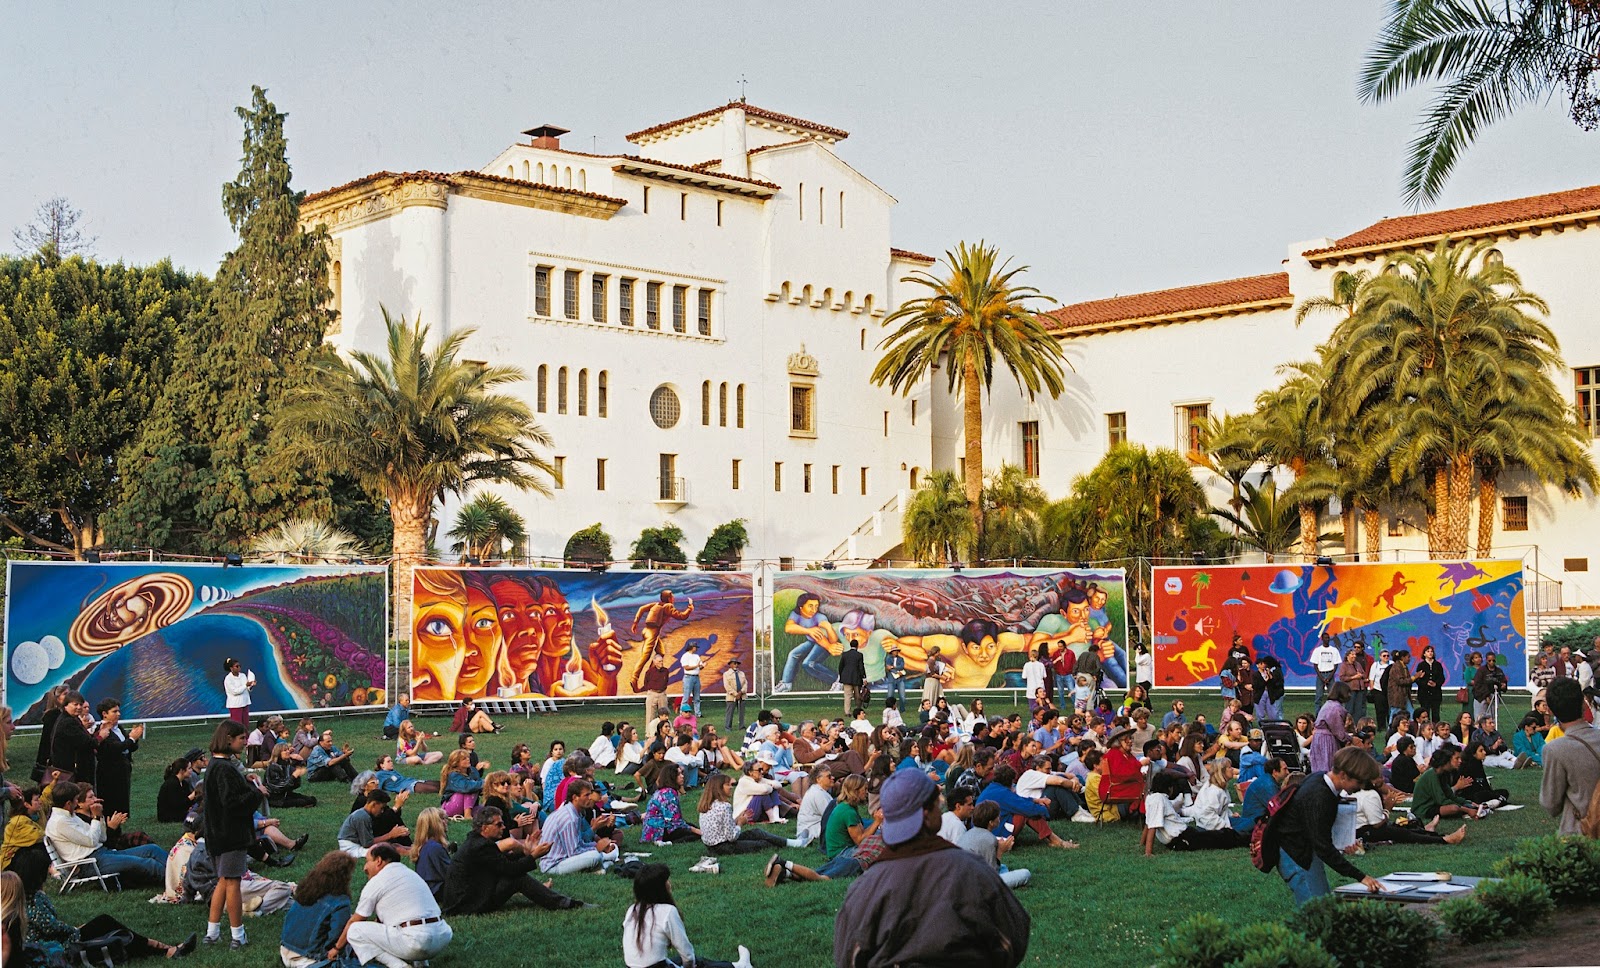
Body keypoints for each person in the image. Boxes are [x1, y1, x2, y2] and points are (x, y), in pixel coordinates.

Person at [833, 769, 1030, 967]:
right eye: (937, 803)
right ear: (927, 814)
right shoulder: (972, 870)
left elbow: (848, 958)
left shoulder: (864, 887)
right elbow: (1013, 937)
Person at [1264, 746, 1386, 906]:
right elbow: (1323, 846)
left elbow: (1318, 830)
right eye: (1359, 781)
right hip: (1296, 854)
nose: (1362, 786)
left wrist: (1343, 844)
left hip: (1304, 850)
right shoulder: (1320, 797)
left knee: (1325, 907)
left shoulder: (1319, 779)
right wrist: (1361, 876)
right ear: (1343, 775)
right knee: (1317, 911)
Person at [9, 862, 196, 962]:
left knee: (110, 932)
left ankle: (164, 949)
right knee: (106, 924)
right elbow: (52, 928)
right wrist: (74, 928)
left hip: (58, 939)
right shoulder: (30, 902)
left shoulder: (33, 897)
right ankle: (162, 948)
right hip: (53, 947)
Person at [440, 805, 585, 915]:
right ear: (484, 828)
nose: (503, 827)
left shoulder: (477, 841)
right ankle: (565, 903)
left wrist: (526, 853)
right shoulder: (480, 846)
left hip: (463, 901)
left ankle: (562, 901)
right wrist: (533, 856)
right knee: (518, 878)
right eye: (498, 825)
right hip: (465, 905)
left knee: (516, 876)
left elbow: (500, 862)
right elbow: (510, 869)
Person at [330, 844, 452, 968]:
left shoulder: (377, 881)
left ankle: (399, 966)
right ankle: (421, 964)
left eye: (367, 861)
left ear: (378, 861)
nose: (364, 867)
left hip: (415, 942)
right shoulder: (411, 874)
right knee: (411, 922)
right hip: (442, 937)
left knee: (354, 930)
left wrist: (336, 948)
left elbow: (355, 921)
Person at [202, 720, 264, 949]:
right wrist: (257, 793)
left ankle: (212, 932)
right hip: (231, 835)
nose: (245, 742)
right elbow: (232, 803)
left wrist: (244, 781)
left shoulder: (215, 766)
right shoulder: (225, 768)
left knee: (223, 881)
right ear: (229, 739)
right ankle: (238, 936)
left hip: (216, 834)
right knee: (233, 884)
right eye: (241, 739)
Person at [624, 863, 753, 968]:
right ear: (659, 888)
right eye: (666, 881)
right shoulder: (667, 912)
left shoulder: (632, 910)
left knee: (688, 960)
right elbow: (687, 954)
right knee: (698, 963)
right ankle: (740, 966)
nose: (669, 883)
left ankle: (738, 965)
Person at [44, 780, 167, 882]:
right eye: (76, 800)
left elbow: (102, 838)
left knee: (152, 849)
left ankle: (181, 871)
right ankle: (178, 884)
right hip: (89, 863)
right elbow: (92, 841)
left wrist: (99, 816)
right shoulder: (60, 822)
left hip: (101, 853)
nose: (77, 803)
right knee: (147, 863)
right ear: (68, 803)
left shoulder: (69, 816)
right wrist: (96, 818)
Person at [1540, 677, 1600, 835]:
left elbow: (1551, 804)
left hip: (1580, 834)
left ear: (1551, 710)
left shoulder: (1555, 749)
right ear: (1582, 703)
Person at [279, 851, 356, 968]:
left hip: (285, 951)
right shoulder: (340, 901)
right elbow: (337, 935)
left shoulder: (307, 890)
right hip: (309, 959)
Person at [538, 779, 619, 875]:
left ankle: (603, 863)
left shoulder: (573, 812)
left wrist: (596, 844)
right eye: (586, 795)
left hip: (563, 859)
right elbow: (573, 852)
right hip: (554, 865)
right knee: (595, 856)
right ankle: (605, 860)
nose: (590, 798)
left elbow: (579, 841)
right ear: (575, 797)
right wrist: (597, 848)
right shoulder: (569, 818)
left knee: (604, 851)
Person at [958, 800, 1029, 889]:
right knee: (1025, 873)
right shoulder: (989, 839)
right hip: (976, 884)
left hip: (962, 877)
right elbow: (992, 874)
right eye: (998, 817)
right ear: (991, 822)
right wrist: (1000, 851)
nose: (999, 819)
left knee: (1003, 867)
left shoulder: (969, 833)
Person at [338, 791, 410, 858]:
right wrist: (390, 835)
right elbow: (367, 844)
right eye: (381, 808)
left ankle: (415, 850)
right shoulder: (362, 817)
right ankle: (415, 854)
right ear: (374, 804)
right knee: (392, 849)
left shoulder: (364, 814)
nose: (382, 811)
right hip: (352, 849)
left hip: (358, 845)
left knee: (394, 845)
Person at [640, 765, 700, 845]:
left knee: (691, 827)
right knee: (694, 834)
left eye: (682, 773)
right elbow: (674, 821)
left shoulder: (663, 791)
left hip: (651, 829)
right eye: (678, 774)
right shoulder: (669, 794)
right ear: (671, 777)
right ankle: (668, 843)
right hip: (659, 830)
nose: (682, 776)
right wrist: (697, 831)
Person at [1309, 681, 1351, 774]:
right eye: (1348, 693)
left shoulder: (1329, 704)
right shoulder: (1335, 708)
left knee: (1319, 766)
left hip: (1319, 738)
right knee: (1327, 766)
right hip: (1326, 739)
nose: (1349, 695)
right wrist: (1350, 738)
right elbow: (1338, 732)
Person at [1415, 644, 1446, 725]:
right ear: (1424, 654)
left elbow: (1442, 678)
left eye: (1431, 651)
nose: (1430, 653)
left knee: (1436, 713)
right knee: (1425, 712)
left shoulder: (1438, 665)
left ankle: (1436, 729)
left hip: (1436, 693)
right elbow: (1417, 679)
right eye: (1428, 651)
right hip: (1424, 693)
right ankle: (1425, 728)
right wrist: (1426, 683)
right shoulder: (1421, 665)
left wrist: (1436, 684)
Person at [1309, 634, 1340, 708]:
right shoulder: (1317, 650)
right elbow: (1315, 665)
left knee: (1333, 696)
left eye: (1328, 638)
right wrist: (1322, 677)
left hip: (1330, 674)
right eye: (1325, 638)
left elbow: (1336, 665)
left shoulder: (1334, 650)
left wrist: (1329, 677)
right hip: (1321, 674)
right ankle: (1318, 715)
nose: (1327, 639)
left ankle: (1332, 712)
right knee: (1319, 696)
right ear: (1322, 639)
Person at [223, 658, 255, 726]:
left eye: (239, 666)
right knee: (237, 725)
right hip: (236, 705)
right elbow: (235, 691)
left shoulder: (243, 675)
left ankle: (246, 736)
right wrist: (246, 685)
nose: (239, 668)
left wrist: (251, 685)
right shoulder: (228, 679)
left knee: (246, 724)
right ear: (231, 668)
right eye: (237, 666)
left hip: (245, 702)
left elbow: (247, 688)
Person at [838, 639, 867, 714]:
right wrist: (864, 677)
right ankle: (858, 711)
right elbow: (861, 667)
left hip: (846, 678)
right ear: (857, 646)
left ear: (850, 645)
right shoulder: (859, 655)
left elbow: (841, 666)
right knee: (857, 696)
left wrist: (842, 675)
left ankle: (847, 712)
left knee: (847, 696)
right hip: (856, 678)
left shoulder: (845, 654)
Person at [723, 658, 748, 731]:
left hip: (741, 695)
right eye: (734, 663)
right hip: (731, 696)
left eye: (737, 663)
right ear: (730, 664)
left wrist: (741, 692)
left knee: (741, 712)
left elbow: (745, 684)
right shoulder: (726, 674)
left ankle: (741, 726)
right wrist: (735, 694)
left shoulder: (742, 673)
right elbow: (727, 686)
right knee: (730, 712)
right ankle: (728, 727)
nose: (736, 665)